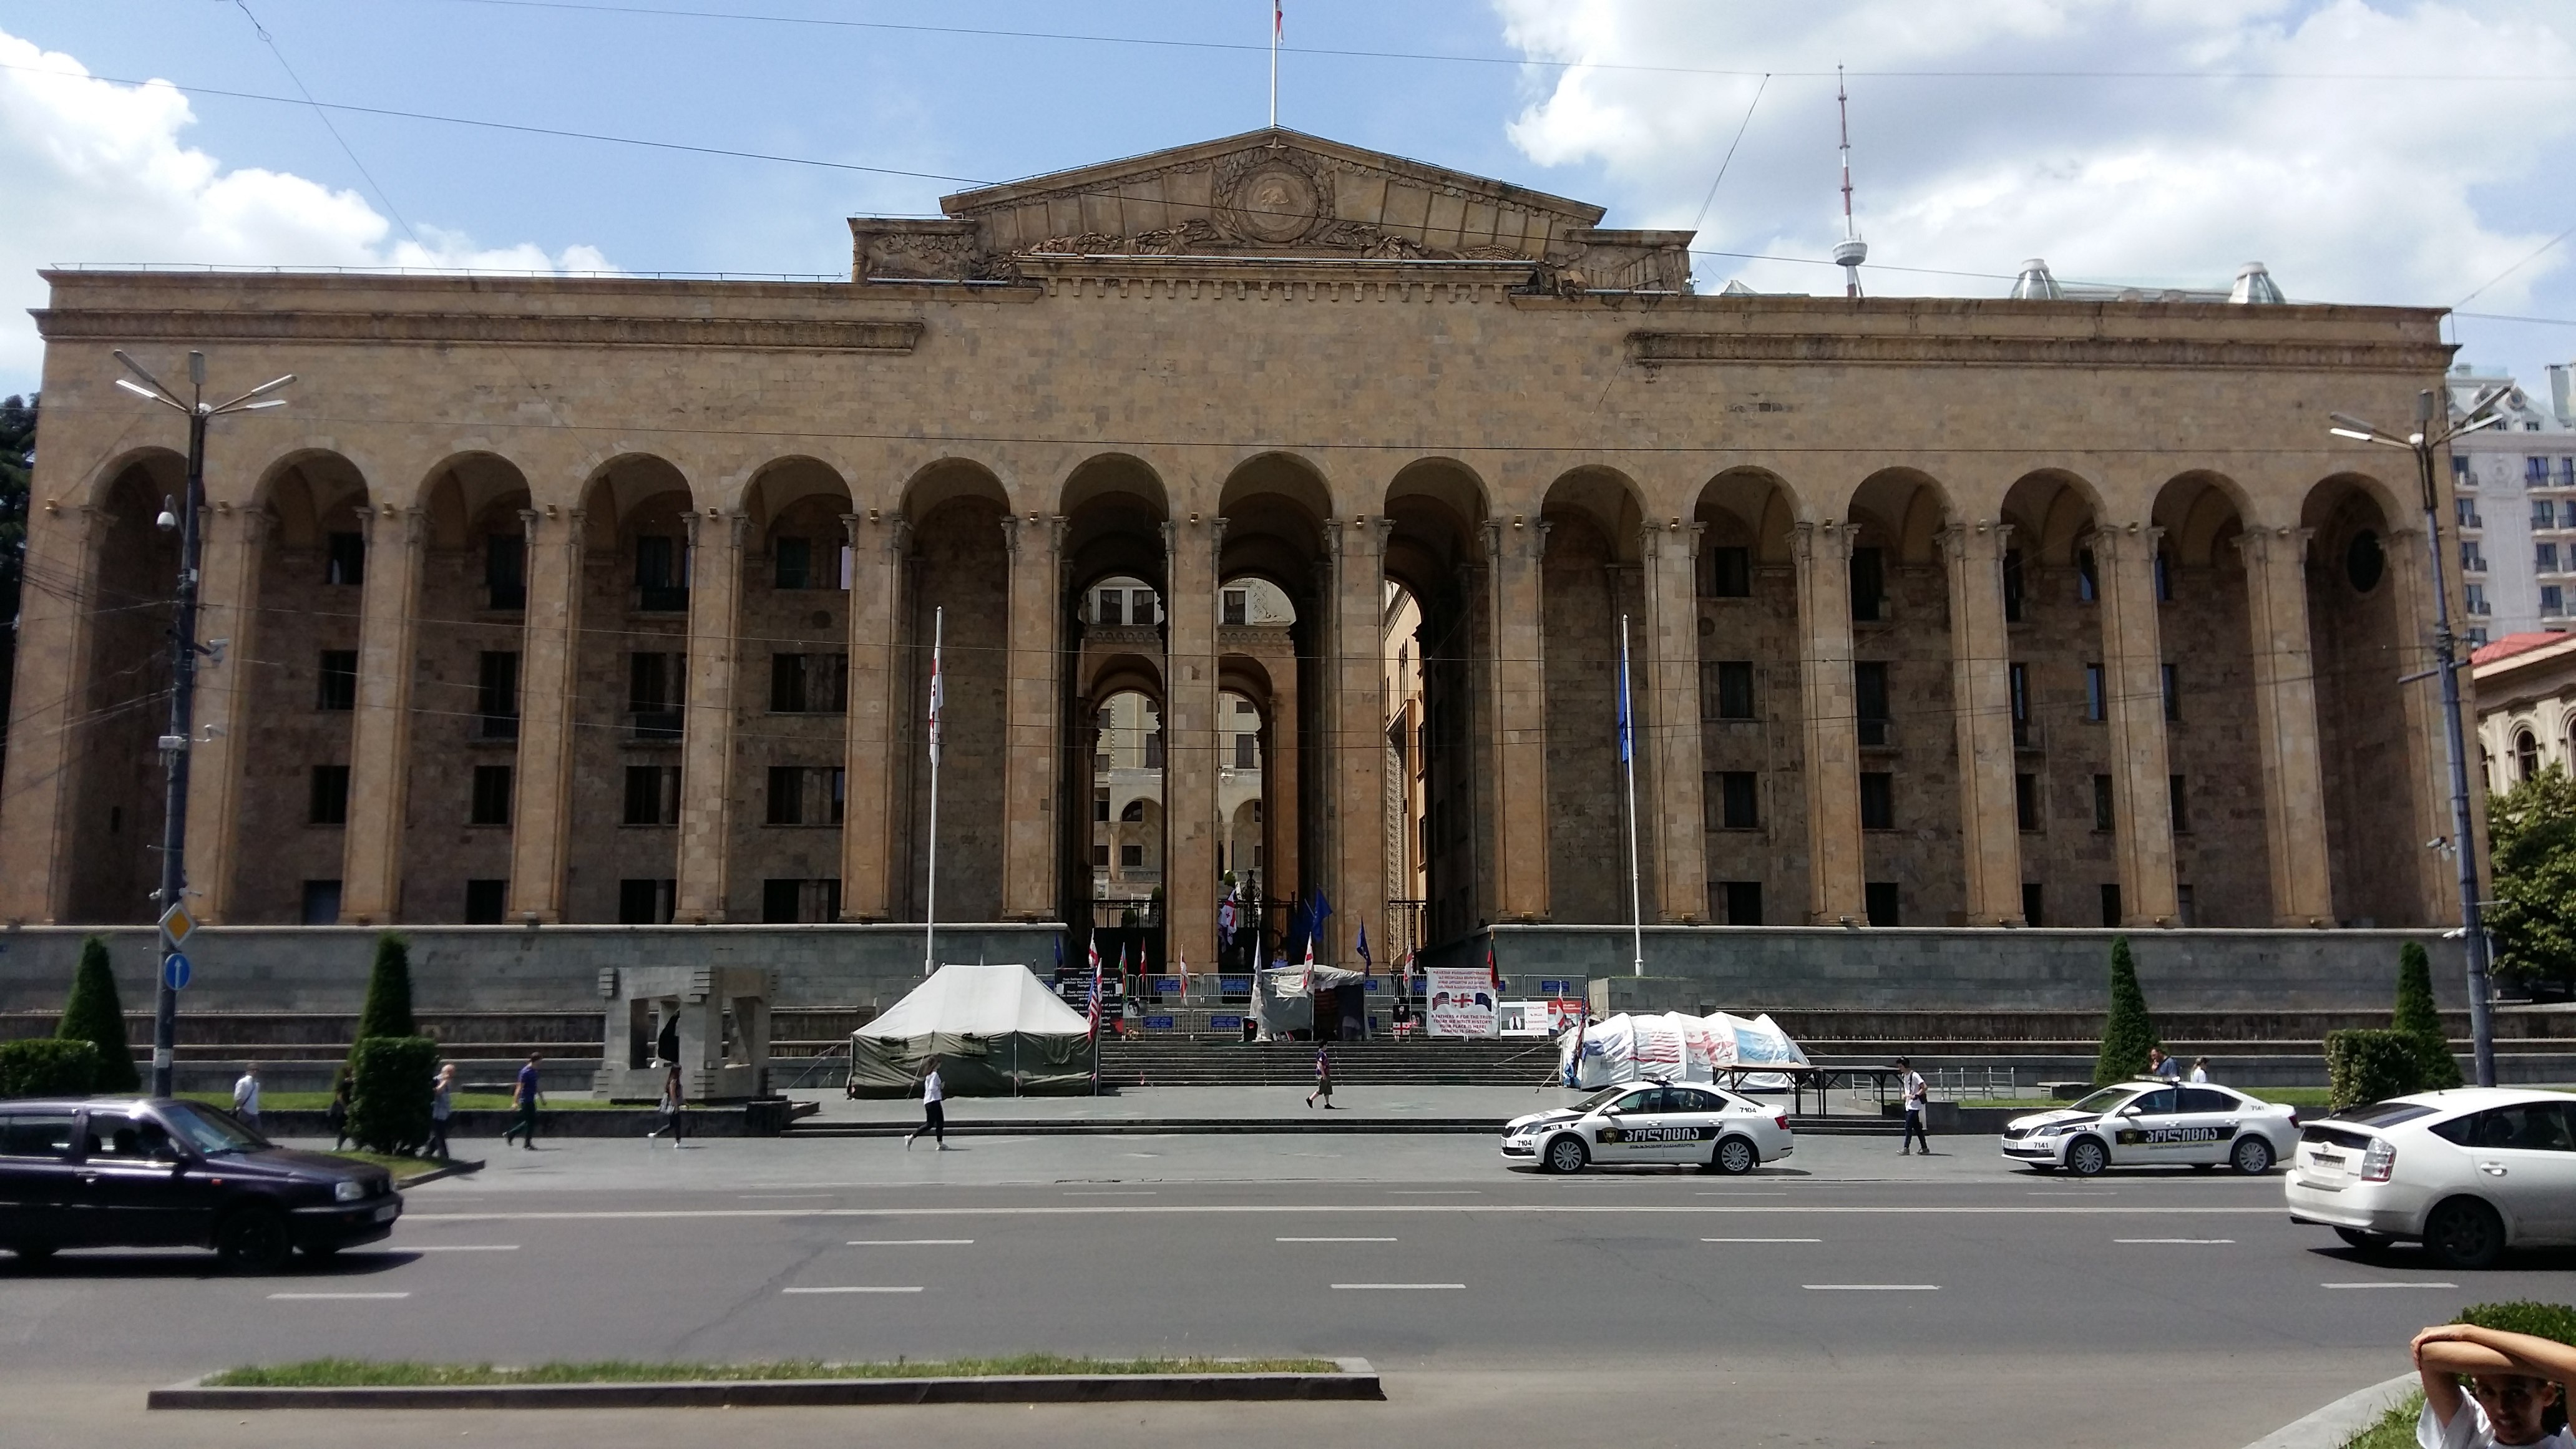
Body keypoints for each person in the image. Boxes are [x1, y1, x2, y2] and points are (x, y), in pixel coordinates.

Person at [2411, 1320, 2576, 1448]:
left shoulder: (2567, 1445)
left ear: (2547, 1395)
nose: (2502, 1408)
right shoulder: (2472, 1436)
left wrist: (2469, 1332)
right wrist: (2557, 1372)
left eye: (2516, 1393)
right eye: (2488, 1393)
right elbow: (2428, 1356)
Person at [907, 1055, 948, 1151]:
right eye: (939, 1063)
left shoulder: (929, 1075)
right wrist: (940, 1086)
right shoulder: (934, 1075)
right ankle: (911, 1137)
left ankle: (940, 1143)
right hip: (933, 1101)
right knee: (930, 1124)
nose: (940, 1064)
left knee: (940, 1122)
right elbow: (932, 1088)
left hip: (931, 1101)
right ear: (936, 1064)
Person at [502, 1053, 542, 1149]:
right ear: (536, 1060)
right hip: (525, 1100)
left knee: (530, 1121)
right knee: (530, 1122)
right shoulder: (525, 1072)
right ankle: (526, 1143)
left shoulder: (534, 1072)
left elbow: (535, 1086)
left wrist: (542, 1097)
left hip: (531, 1099)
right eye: (541, 1060)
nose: (541, 1063)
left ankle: (511, 1134)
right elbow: (519, 1088)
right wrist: (515, 1102)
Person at [1896, 1056, 1931, 1156]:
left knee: (1908, 1127)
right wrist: (1906, 1096)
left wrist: (1915, 1095)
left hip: (1915, 1106)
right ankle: (1924, 1148)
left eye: (1901, 1066)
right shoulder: (1904, 1076)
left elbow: (1924, 1087)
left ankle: (1906, 1148)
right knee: (1917, 1128)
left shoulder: (1914, 1075)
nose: (1900, 1068)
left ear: (1906, 1065)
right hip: (1909, 1105)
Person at [648, 1064, 685, 1146]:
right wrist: (676, 1106)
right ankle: (678, 1142)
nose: (681, 1072)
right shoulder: (674, 1081)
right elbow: (673, 1094)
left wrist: (684, 1102)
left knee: (672, 1124)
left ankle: (656, 1135)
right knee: (677, 1124)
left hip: (674, 1105)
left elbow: (679, 1095)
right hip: (673, 1106)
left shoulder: (673, 1080)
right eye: (680, 1070)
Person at [425, 1063, 455, 1161]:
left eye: (452, 1073)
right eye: (449, 1073)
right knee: (440, 1135)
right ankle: (444, 1156)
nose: (451, 1076)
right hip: (436, 1113)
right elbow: (437, 1092)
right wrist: (444, 1082)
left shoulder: (448, 1082)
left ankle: (428, 1152)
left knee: (439, 1134)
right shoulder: (437, 1080)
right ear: (444, 1072)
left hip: (445, 1113)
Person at [230, 1065, 262, 1131]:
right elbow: (237, 1097)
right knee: (239, 1131)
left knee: (257, 1133)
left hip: (254, 1112)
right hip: (244, 1111)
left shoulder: (256, 1084)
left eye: (257, 1070)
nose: (255, 1072)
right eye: (253, 1070)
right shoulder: (242, 1082)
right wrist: (241, 1107)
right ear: (248, 1071)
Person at [326, 1077, 352, 1151]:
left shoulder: (349, 1084)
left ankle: (339, 1146)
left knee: (345, 1129)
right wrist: (346, 1108)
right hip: (343, 1111)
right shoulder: (346, 1085)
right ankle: (339, 1146)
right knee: (344, 1128)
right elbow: (340, 1097)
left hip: (345, 1110)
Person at [1307, 1045, 1335, 1110]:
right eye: (1326, 1045)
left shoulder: (1324, 1054)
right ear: (1324, 1045)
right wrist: (1323, 1074)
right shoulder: (1321, 1054)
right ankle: (1310, 1099)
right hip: (1322, 1074)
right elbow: (1320, 1064)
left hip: (1326, 1073)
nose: (1327, 1047)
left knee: (1327, 1088)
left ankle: (1327, 1103)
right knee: (1322, 1088)